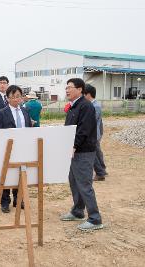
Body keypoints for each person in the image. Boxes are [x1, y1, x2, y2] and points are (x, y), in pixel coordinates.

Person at [60, 78, 103, 231]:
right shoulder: (73, 106)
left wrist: (74, 145)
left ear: (79, 89)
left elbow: (83, 130)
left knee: (85, 184)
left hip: (83, 151)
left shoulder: (86, 106)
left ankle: (95, 218)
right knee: (74, 181)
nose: (67, 90)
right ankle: (78, 211)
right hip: (73, 151)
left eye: (69, 87)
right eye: (66, 87)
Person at [0, 85, 32, 213]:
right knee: (6, 175)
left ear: (21, 97)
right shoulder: (2, 113)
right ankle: (5, 201)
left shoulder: (25, 112)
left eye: (18, 96)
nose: (16, 99)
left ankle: (18, 199)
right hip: (7, 149)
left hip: (23, 149)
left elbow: (29, 130)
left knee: (20, 174)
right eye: (13, 97)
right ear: (7, 99)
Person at [83, 84, 107, 181]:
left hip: (93, 134)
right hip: (94, 133)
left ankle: (101, 172)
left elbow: (92, 121)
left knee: (94, 153)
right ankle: (102, 170)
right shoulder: (93, 105)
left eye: (84, 94)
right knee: (97, 153)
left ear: (88, 94)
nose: (83, 97)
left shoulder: (95, 106)